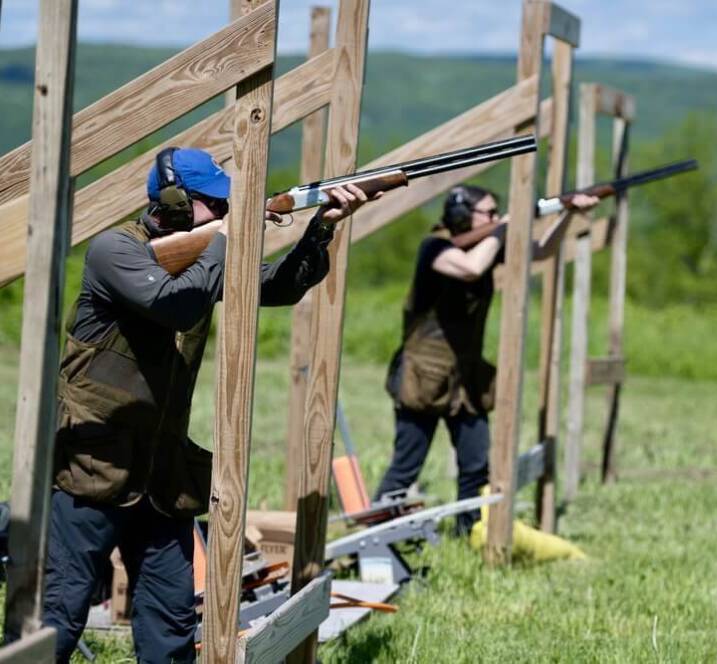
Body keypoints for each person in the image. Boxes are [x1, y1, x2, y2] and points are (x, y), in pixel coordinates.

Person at [40, 147, 378, 663]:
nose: (225, 212)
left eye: (229, 204)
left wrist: (321, 228)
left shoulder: (205, 255)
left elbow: (279, 287)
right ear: (174, 204)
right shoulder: (114, 250)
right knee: (60, 615)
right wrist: (227, 238)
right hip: (93, 467)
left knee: (171, 621)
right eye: (214, 204)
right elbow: (173, 304)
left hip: (163, 474)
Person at [375, 184, 599, 535]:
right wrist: (505, 227)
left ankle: (471, 534)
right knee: (407, 466)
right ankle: (376, 540)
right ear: (464, 216)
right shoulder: (435, 247)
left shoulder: (487, 243)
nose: (495, 218)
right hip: (423, 375)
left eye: (497, 213)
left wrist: (569, 213)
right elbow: (469, 269)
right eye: (489, 213)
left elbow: (541, 252)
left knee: (476, 465)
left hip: (466, 378)